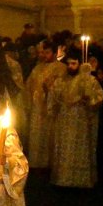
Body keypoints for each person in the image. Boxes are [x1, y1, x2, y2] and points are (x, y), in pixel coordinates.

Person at [48, 57, 103, 188]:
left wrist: (89, 99)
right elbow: (53, 98)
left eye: (73, 63)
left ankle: (80, 180)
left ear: (79, 64)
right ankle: (62, 179)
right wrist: (54, 104)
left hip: (81, 120)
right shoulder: (60, 81)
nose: (70, 66)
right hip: (64, 120)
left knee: (80, 148)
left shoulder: (89, 80)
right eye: (68, 64)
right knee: (64, 147)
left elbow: (99, 97)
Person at [24, 40, 63, 169]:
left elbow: (61, 89)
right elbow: (29, 85)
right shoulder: (38, 67)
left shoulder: (61, 68)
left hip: (50, 109)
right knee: (36, 136)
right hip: (37, 108)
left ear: (55, 52)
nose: (44, 55)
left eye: (47, 52)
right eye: (43, 52)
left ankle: (49, 165)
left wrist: (49, 91)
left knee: (49, 137)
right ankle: (36, 164)